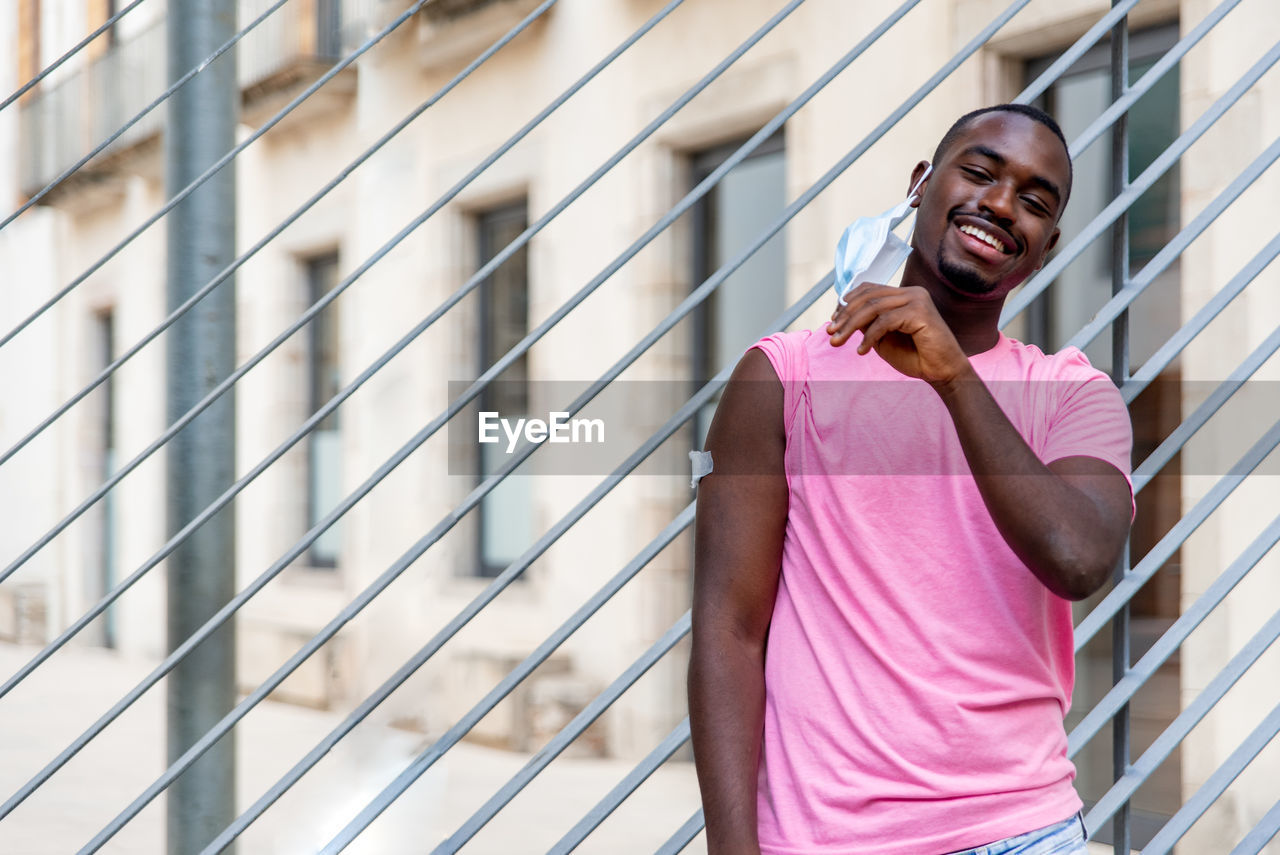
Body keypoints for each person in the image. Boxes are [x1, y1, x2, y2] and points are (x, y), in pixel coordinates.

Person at [687, 104, 1134, 855]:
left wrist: (953, 376)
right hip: (827, 838)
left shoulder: (1073, 393)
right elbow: (729, 630)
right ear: (922, 183)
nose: (999, 203)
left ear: (1044, 250)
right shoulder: (784, 374)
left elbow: (1078, 556)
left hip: (1022, 831)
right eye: (981, 171)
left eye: (1033, 200)